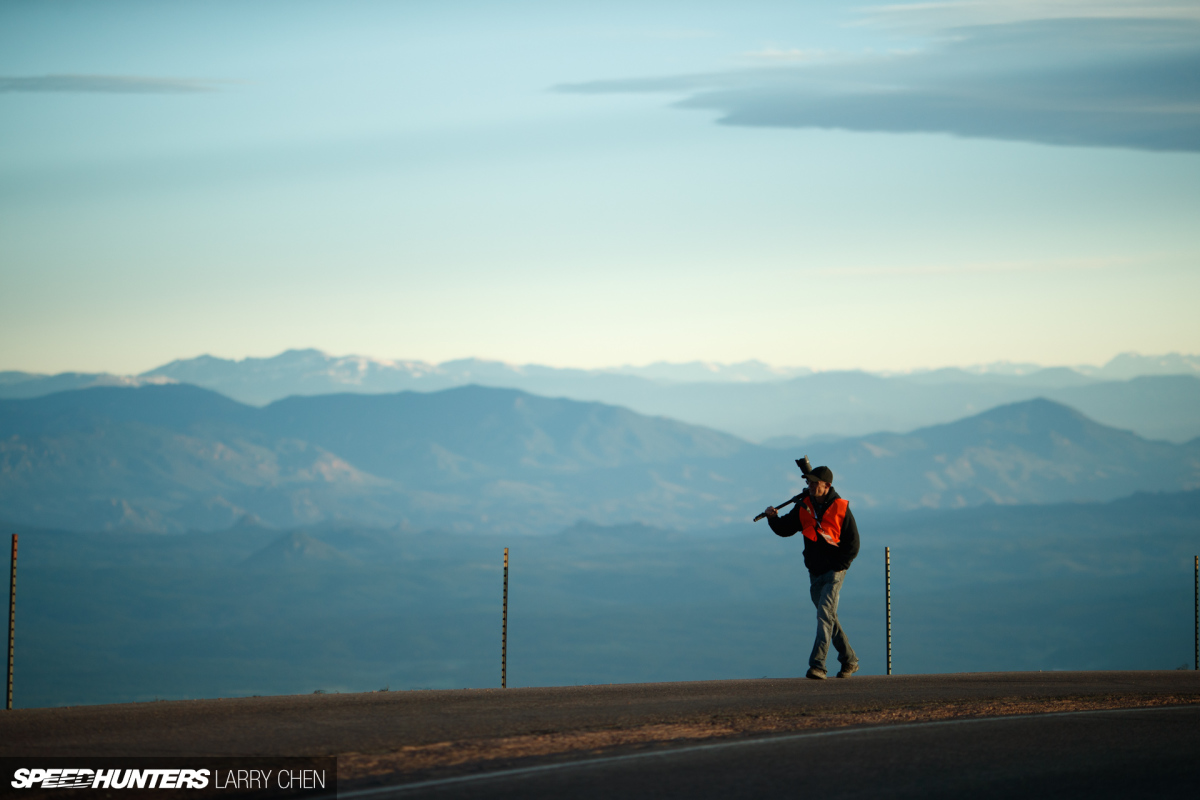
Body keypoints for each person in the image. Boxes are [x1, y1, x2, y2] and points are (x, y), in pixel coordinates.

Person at [764, 463, 860, 680]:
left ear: (827, 486)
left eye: (814, 483)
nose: (810, 485)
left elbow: (853, 544)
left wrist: (839, 566)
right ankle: (850, 660)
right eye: (808, 482)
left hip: (834, 573)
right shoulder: (804, 505)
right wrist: (772, 518)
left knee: (824, 616)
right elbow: (786, 528)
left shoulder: (840, 508)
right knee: (828, 618)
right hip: (815, 573)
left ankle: (817, 666)